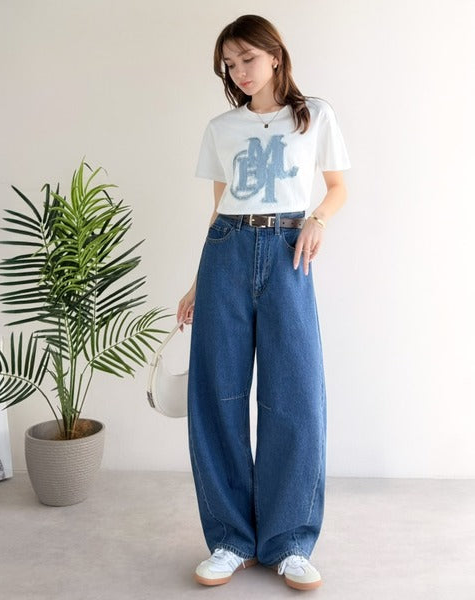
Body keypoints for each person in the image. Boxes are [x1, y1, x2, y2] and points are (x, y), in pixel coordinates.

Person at [177, 14, 351, 591]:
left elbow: (338, 187)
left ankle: (290, 542)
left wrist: (318, 220)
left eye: (247, 59)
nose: (239, 72)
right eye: (229, 65)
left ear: (275, 55)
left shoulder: (314, 116)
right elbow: (219, 208)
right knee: (218, 395)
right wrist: (198, 283)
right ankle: (230, 540)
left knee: (295, 395)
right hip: (225, 253)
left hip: (288, 250)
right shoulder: (221, 128)